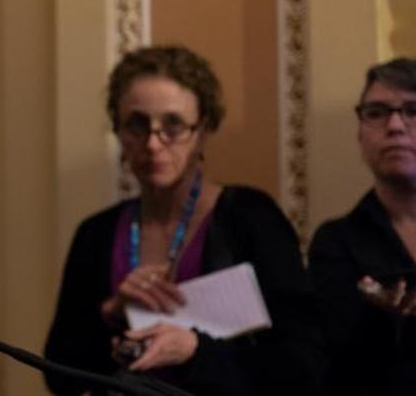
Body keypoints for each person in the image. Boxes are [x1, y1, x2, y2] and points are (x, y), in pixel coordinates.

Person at [43, 45, 325, 396]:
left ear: (203, 130)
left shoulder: (250, 218)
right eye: (137, 125)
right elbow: (57, 375)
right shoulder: (95, 234)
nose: (153, 144)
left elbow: (302, 367)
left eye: (172, 126)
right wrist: (111, 313)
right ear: (118, 130)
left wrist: (194, 351)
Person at [309, 57, 416, 395]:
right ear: (360, 134)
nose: (396, 126)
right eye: (376, 112)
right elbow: (338, 366)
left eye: (412, 110)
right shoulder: (335, 243)